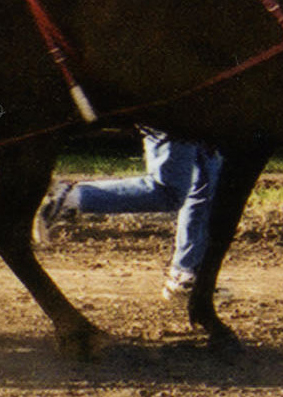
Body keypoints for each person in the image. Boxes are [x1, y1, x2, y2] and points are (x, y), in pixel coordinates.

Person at [34, 128, 225, 301]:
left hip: (185, 114)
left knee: (206, 179)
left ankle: (185, 276)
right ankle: (69, 197)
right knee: (168, 192)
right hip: (173, 114)